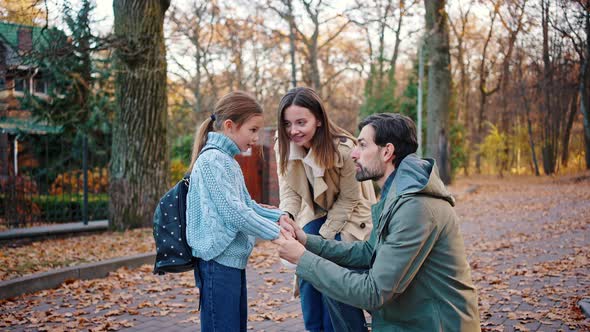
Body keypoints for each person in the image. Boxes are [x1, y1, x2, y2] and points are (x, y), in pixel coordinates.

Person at [274, 113, 481, 331]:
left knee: (332, 279)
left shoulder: (415, 207)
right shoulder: (398, 192)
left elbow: (374, 292)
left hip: (436, 324)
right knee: (332, 278)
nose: (354, 154)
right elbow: (368, 252)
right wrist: (307, 241)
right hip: (412, 315)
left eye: (362, 145)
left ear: (387, 152)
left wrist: (302, 259)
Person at [185, 91, 294, 332]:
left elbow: (247, 206)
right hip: (217, 261)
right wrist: (276, 234)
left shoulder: (227, 160)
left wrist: (280, 217)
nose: (256, 138)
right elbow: (234, 213)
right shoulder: (213, 160)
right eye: (253, 130)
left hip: (230, 261)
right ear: (229, 126)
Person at [275, 87, 376, 332]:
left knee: (329, 259)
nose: (293, 130)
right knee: (306, 263)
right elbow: (289, 190)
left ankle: (336, 326)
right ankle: (315, 327)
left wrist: (323, 237)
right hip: (316, 214)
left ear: (318, 120)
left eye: (301, 122)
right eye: (287, 124)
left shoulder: (343, 149)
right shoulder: (284, 146)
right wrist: (286, 216)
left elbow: (349, 200)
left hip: (351, 217)